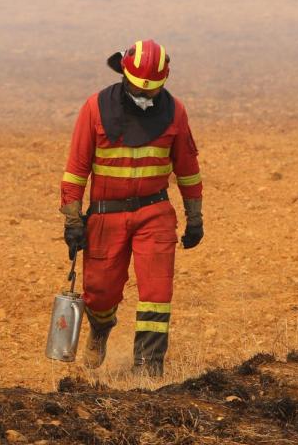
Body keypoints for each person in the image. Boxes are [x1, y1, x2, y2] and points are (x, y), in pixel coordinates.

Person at [59, 39, 204, 377]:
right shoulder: (94, 108)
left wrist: (194, 217)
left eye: (152, 92)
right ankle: (101, 327)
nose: (144, 96)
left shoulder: (176, 112)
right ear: (123, 74)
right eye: (139, 89)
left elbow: (188, 169)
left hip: (155, 213)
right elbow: (75, 170)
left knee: (157, 290)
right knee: (100, 293)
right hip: (106, 216)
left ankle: (147, 370)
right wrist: (72, 219)